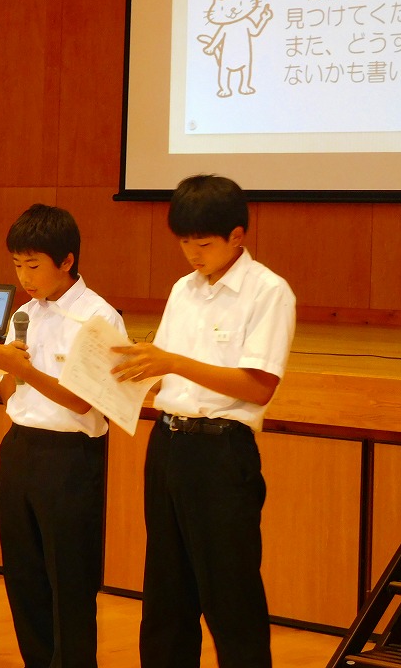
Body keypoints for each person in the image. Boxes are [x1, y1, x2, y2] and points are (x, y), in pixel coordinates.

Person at [111, 175, 296, 668]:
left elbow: (259, 386)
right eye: (184, 242)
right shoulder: (183, 289)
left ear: (238, 235)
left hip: (221, 452)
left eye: (204, 243)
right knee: (166, 593)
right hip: (168, 444)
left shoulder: (268, 291)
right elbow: (166, 373)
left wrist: (172, 362)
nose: (193, 253)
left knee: (231, 595)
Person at [0, 204, 126, 668]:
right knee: (24, 579)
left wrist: (23, 370)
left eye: (33, 265)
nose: (24, 276)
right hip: (20, 449)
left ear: (67, 260)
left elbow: (83, 402)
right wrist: (6, 367)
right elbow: (9, 393)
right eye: (17, 264)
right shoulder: (25, 313)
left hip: (70, 458)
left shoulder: (98, 317)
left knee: (69, 582)